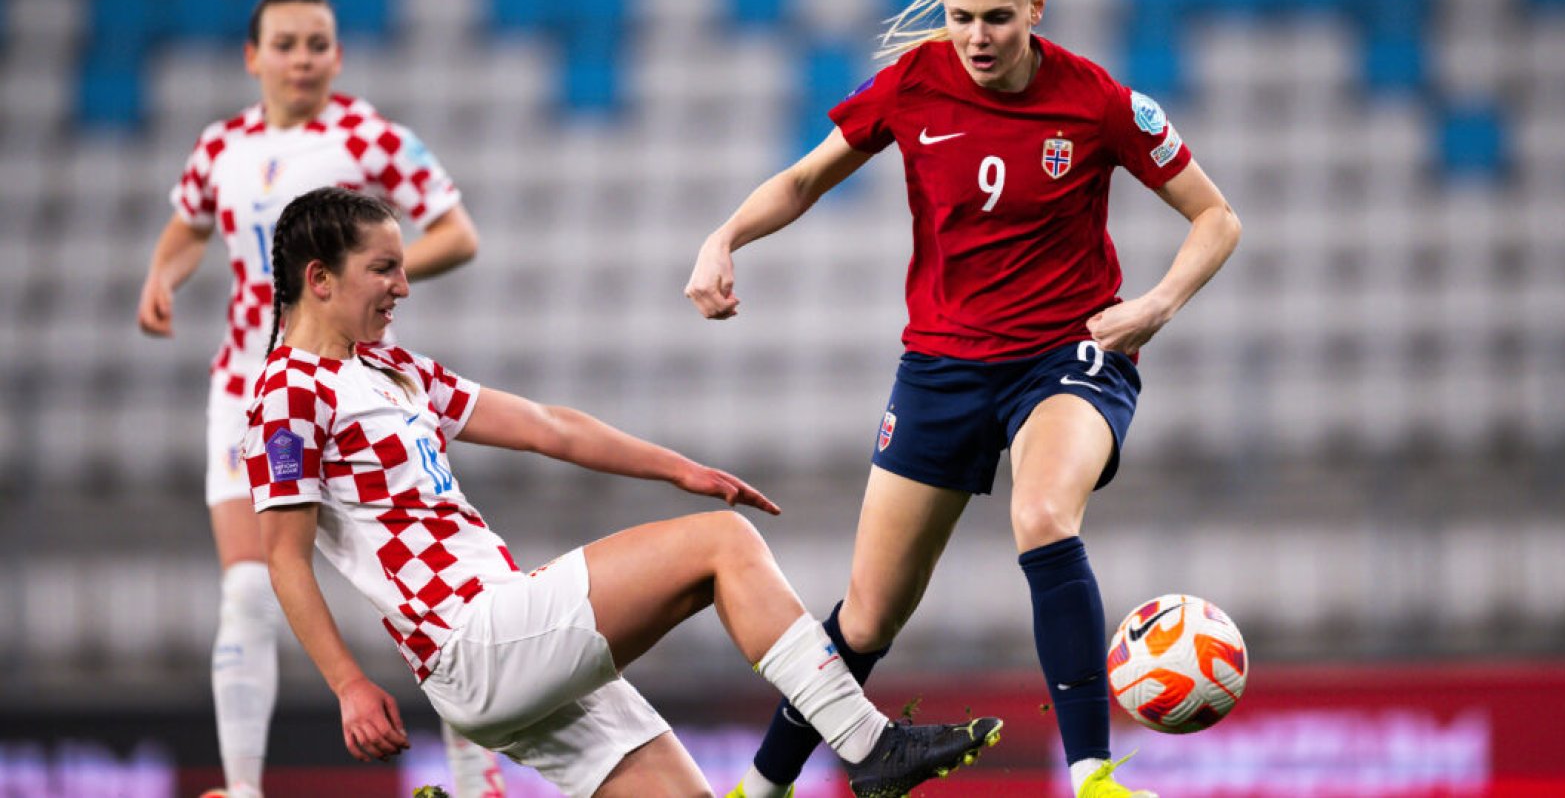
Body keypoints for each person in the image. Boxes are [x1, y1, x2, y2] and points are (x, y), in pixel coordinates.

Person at [687, 0, 1241, 798]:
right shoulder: (913, 84)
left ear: (1037, 8)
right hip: (942, 368)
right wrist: (723, 238)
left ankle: (1094, 777)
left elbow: (1218, 218)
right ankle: (762, 789)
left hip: (1067, 353)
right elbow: (802, 180)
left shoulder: (1098, 102)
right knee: (867, 616)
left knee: (1044, 513)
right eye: (959, 17)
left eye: (996, 18)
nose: (976, 38)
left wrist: (1154, 307)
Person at [243, 187, 1003, 798]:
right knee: (722, 543)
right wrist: (347, 684)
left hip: (507, 642)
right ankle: (869, 744)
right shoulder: (288, 392)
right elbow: (284, 556)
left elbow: (547, 426)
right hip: (474, 637)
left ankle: (861, 748)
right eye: (384, 269)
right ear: (320, 279)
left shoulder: (389, 368)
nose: (403, 286)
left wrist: (677, 467)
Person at [134, 0, 502, 798]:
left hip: (358, 387)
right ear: (253, 56)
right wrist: (161, 275)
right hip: (247, 392)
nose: (302, 59)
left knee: (438, 579)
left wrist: (372, 276)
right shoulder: (219, 145)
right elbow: (189, 222)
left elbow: (457, 232)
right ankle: (244, 787)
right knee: (248, 588)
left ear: (337, 55)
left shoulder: (369, 137)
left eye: (318, 44)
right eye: (287, 44)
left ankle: (478, 783)